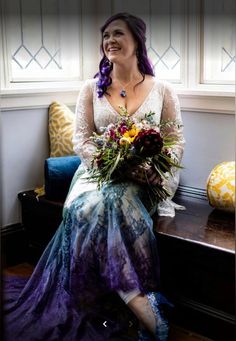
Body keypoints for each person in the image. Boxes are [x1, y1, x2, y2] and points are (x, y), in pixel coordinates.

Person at [3, 12, 185, 341]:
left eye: (118, 34)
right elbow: (82, 140)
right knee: (89, 205)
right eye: (106, 36)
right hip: (96, 174)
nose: (110, 41)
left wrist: (151, 171)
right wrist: (110, 163)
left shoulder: (163, 90)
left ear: (137, 42)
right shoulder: (91, 88)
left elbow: (175, 141)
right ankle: (142, 301)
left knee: (108, 205)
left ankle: (135, 300)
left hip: (143, 179)